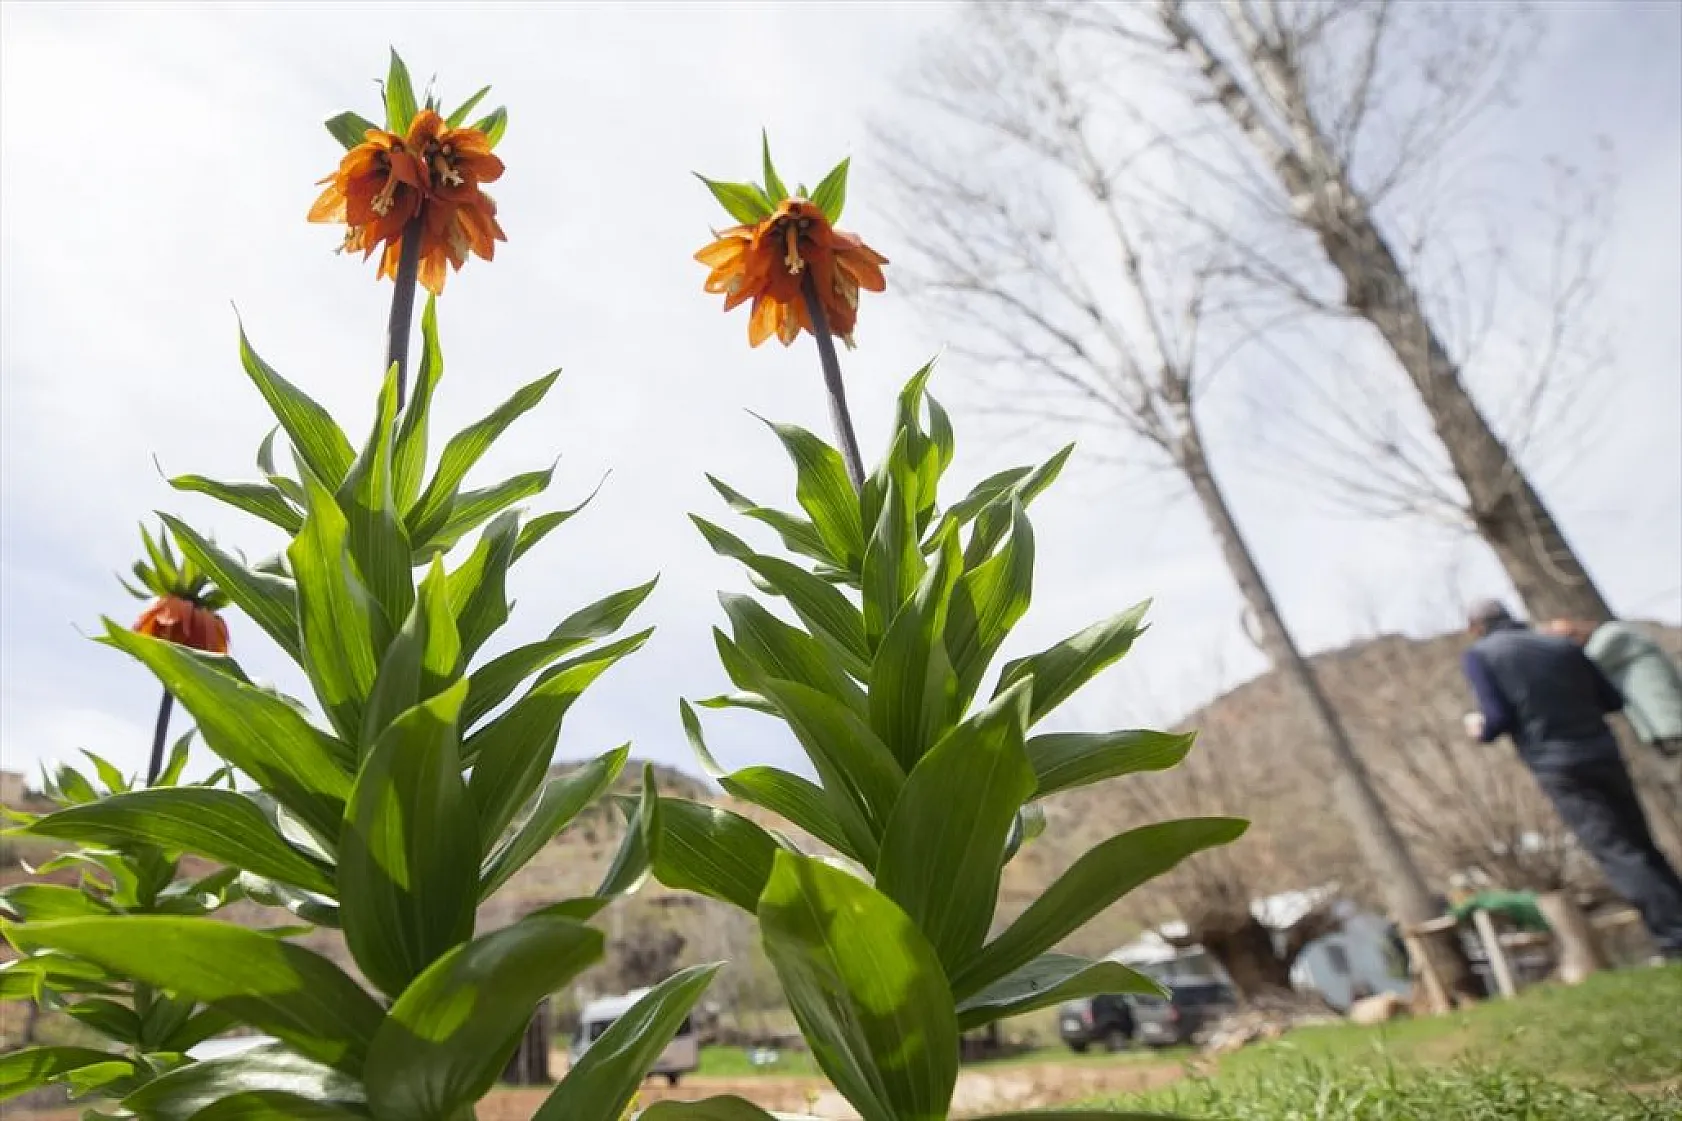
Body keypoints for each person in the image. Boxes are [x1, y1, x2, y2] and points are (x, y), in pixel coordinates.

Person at [1460, 598, 1682, 961]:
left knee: (1616, 850)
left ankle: (1673, 938)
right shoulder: (1560, 645)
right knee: (1642, 843)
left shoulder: (1481, 655)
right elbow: (1611, 699)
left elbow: (1497, 717)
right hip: (1603, 751)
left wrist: (1479, 729)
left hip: (1557, 764)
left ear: (1475, 627)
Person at [1544, 616, 1682, 762]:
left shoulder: (1611, 635)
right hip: (1657, 726)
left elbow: (1583, 665)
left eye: (1569, 637)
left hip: (1670, 720)